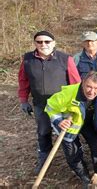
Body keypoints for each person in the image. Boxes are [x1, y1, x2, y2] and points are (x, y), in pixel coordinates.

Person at [18, 30, 81, 174]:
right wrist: (23, 100)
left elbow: (76, 83)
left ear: (54, 43)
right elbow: (23, 81)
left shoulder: (65, 59)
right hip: (41, 104)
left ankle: (76, 163)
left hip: (63, 106)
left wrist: (75, 103)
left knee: (67, 134)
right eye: (39, 42)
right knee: (43, 132)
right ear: (35, 43)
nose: (43, 44)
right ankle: (44, 159)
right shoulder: (27, 60)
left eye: (47, 41)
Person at [45, 71, 97, 185]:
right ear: (82, 83)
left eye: (96, 88)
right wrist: (58, 121)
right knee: (73, 155)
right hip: (70, 125)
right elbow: (50, 106)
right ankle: (85, 178)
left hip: (90, 123)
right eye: (88, 86)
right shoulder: (67, 94)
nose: (91, 91)